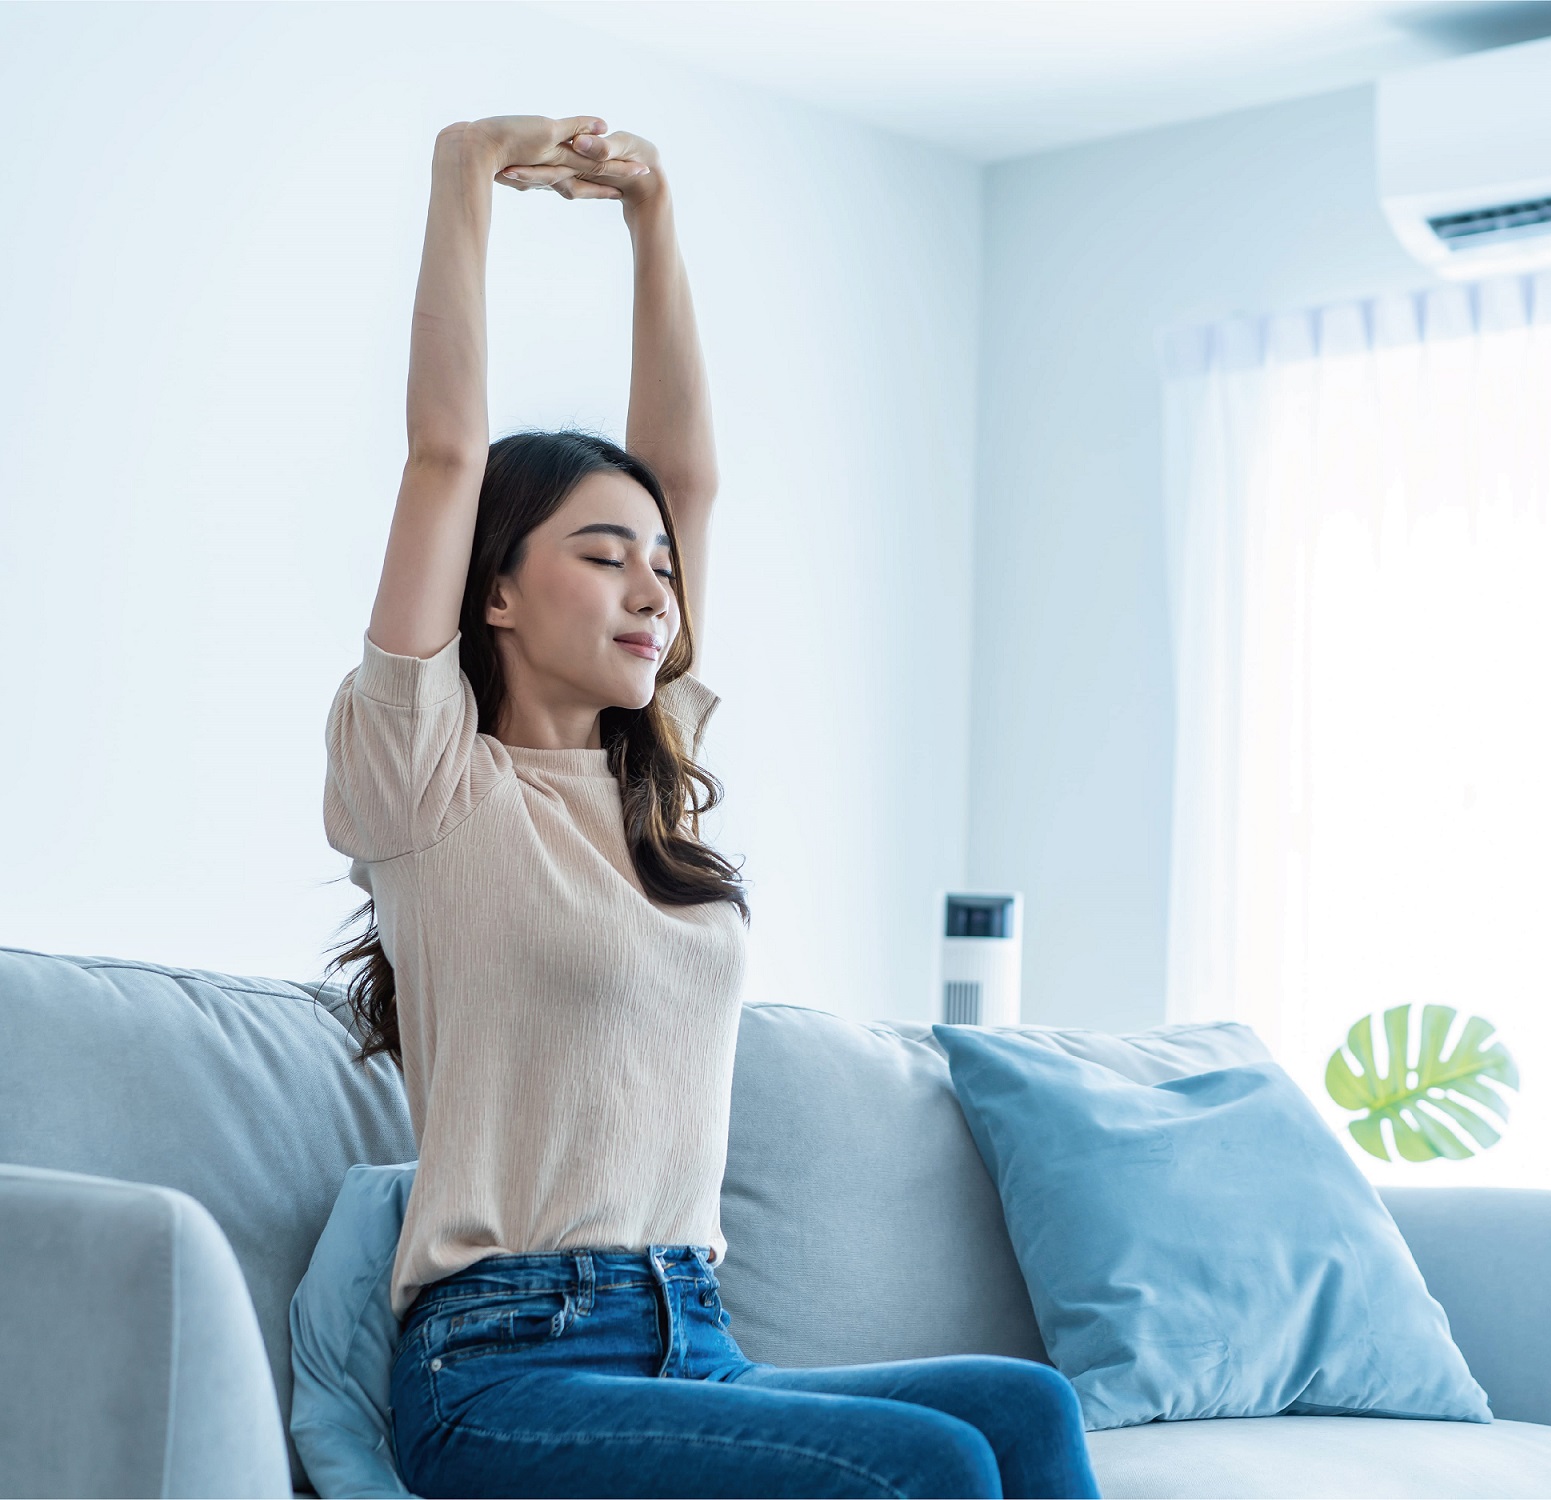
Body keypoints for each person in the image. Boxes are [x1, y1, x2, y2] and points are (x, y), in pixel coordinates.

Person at [320, 113, 1100, 1500]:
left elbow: (693, 482)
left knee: (1025, 1411)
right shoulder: (430, 780)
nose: (653, 588)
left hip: (696, 1338)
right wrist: (461, 176)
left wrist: (653, 209)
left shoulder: (644, 779)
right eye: (604, 556)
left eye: (662, 573)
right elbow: (443, 454)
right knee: (935, 1469)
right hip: (505, 1367)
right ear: (492, 589)